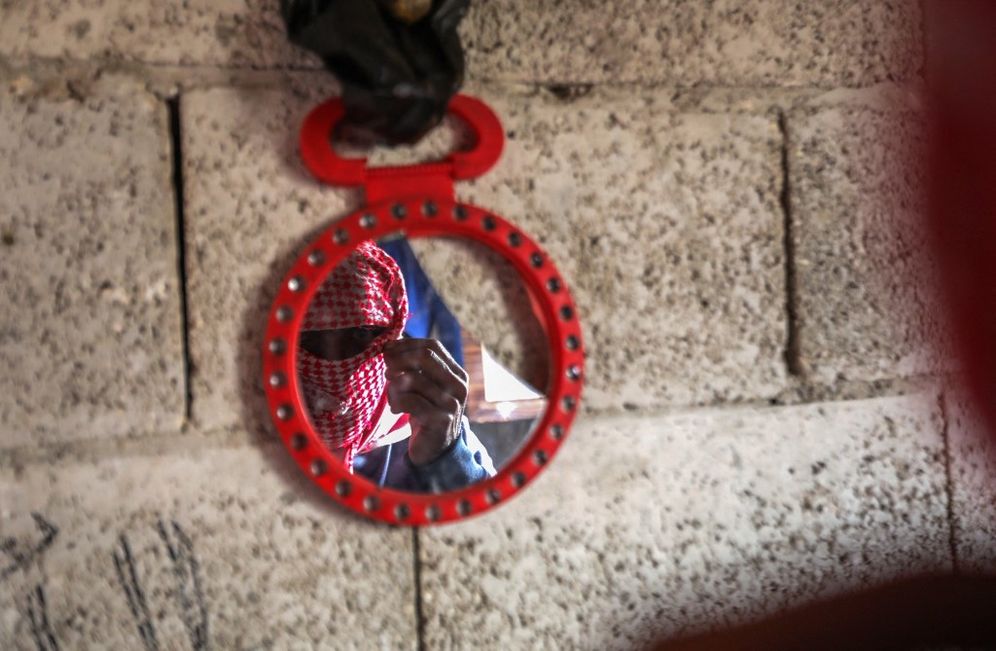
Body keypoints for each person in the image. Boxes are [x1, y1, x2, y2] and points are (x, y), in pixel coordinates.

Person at [296, 240, 496, 492]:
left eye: (361, 334)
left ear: (392, 335)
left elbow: (493, 520)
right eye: (312, 340)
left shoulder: (427, 417)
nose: (338, 363)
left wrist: (445, 458)